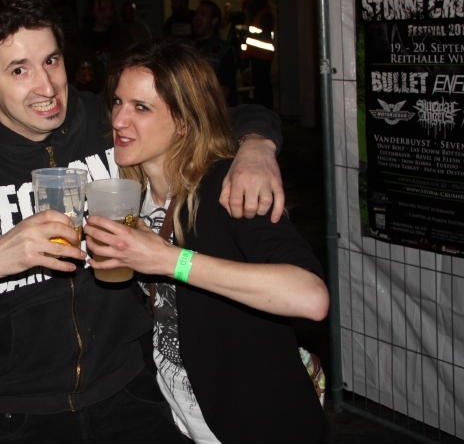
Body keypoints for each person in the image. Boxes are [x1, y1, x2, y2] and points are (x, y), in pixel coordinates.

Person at [0, 0, 285, 444]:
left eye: (51, 60)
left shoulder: (106, 122)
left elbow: (203, 115)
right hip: (21, 414)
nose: (47, 87)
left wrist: (256, 145)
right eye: (19, 70)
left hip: (132, 391)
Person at [83, 38, 329, 443]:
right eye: (117, 102)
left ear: (183, 121)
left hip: (255, 422)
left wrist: (171, 261)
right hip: (180, 422)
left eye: (141, 108)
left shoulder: (228, 188)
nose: (119, 120)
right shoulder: (128, 195)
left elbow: (310, 297)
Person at [67, 0, 134, 93]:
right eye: (102, 9)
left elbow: (133, 63)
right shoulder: (78, 40)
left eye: (111, 8)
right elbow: (68, 74)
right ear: (91, 12)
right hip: (89, 96)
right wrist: (76, 78)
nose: (108, 13)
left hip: (119, 92)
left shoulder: (122, 37)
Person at [191, 0, 238, 107]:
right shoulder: (188, 49)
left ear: (214, 21)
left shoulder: (224, 50)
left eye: (203, 14)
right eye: (196, 14)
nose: (197, 18)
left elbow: (224, 90)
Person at [240, 0, 276, 109]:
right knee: (258, 85)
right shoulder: (254, 14)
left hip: (263, 55)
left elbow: (264, 33)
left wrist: (246, 33)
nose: (248, 0)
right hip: (255, 54)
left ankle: (266, 109)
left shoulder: (265, 14)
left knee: (262, 85)